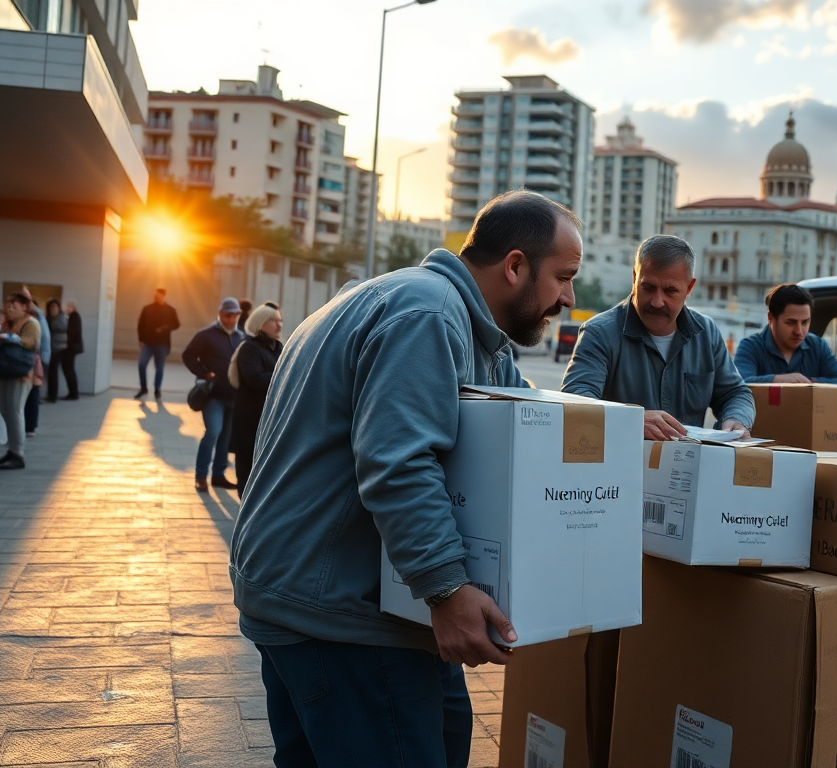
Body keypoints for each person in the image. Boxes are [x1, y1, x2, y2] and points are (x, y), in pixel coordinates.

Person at [230, 190, 579, 767]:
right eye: (563, 277)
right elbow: (399, 463)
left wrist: (616, 426)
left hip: (315, 593)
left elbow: (522, 409)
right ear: (515, 266)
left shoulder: (463, 324)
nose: (568, 297)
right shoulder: (426, 315)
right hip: (341, 614)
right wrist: (446, 589)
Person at [561, 234, 754, 440]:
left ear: (689, 288)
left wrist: (736, 419)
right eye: (648, 288)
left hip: (685, 467)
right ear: (635, 279)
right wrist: (632, 420)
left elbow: (735, 393)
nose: (657, 302)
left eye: (670, 291)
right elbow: (576, 400)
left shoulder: (706, 333)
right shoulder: (599, 333)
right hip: (622, 465)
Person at [732, 284, 837, 385]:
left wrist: (810, 383)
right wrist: (778, 380)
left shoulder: (817, 346)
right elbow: (738, 384)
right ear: (770, 318)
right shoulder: (750, 347)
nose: (799, 331)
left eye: (805, 323)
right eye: (790, 322)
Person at [182, 298, 246, 492]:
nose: (232, 318)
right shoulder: (206, 335)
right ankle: (201, 476)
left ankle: (218, 476)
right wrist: (203, 372)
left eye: (236, 315)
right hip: (213, 396)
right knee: (213, 432)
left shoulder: (241, 337)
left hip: (233, 396)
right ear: (220, 313)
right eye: (228, 315)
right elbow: (188, 355)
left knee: (226, 437)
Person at [228, 303, 283, 497]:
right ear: (260, 324)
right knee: (246, 472)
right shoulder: (249, 348)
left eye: (280, 320)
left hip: (270, 420)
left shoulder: (278, 347)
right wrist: (282, 376)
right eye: (274, 321)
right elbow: (255, 379)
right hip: (249, 420)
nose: (279, 325)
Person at [0, 293, 41, 471]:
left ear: (25, 307)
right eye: (9, 306)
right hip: (6, 370)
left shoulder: (31, 323)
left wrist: (10, 338)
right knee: (4, 410)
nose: (10, 309)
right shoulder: (9, 323)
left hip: (20, 373)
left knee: (15, 411)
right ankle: (11, 450)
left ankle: (18, 454)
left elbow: (30, 342)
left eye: (14, 306)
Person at [137, 287, 180, 400]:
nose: (156, 297)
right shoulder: (147, 309)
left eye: (159, 295)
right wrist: (141, 340)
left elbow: (177, 324)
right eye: (155, 295)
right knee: (142, 364)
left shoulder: (170, 310)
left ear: (163, 296)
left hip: (162, 344)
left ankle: (157, 390)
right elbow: (140, 325)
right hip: (147, 344)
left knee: (159, 368)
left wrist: (166, 328)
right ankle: (143, 388)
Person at [21, 287, 49, 435]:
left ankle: (30, 425)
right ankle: (30, 425)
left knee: (31, 394)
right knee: (32, 394)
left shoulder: (33, 320)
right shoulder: (37, 318)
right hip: (37, 361)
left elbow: (39, 343)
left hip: (34, 361)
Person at [44, 298, 69, 403]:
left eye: (55, 307)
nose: (53, 309)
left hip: (58, 348)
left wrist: (52, 322)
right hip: (51, 347)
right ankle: (50, 394)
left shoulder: (60, 318)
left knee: (53, 372)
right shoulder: (50, 318)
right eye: (51, 307)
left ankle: (53, 396)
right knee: (50, 372)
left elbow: (62, 328)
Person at [62, 299, 82, 400]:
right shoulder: (75, 316)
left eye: (67, 307)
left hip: (71, 348)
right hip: (73, 347)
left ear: (72, 308)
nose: (65, 309)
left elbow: (71, 332)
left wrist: (65, 341)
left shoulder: (73, 316)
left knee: (68, 369)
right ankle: (73, 392)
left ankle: (73, 393)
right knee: (69, 369)